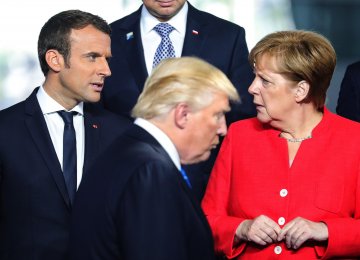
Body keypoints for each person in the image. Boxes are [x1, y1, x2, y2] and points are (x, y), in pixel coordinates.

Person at [201, 30, 360, 259]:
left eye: (265, 80)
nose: (252, 88)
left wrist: (326, 230)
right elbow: (205, 221)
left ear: (301, 90)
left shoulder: (354, 140)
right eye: (255, 77)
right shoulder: (239, 135)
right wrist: (241, 229)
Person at [69, 57, 239, 260]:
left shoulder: (126, 153)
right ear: (182, 114)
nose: (223, 129)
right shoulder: (150, 171)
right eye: (218, 115)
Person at [0, 10, 130, 260]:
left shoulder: (120, 134)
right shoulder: (5, 131)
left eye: (106, 59)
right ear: (55, 60)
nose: (106, 70)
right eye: (92, 57)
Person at [101, 0, 256, 200]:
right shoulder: (109, 38)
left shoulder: (226, 36)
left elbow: (241, 115)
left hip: (206, 188)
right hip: (126, 185)